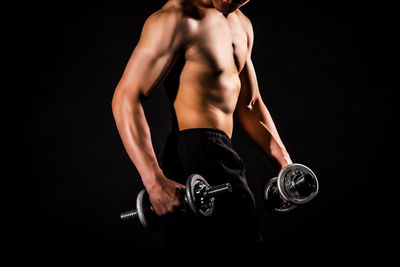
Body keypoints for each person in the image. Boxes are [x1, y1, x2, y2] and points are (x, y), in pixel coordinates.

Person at [112, 0, 292, 258]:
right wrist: (153, 180)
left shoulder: (242, 25)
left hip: (223, 153)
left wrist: (285, 164)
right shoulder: (176, 18)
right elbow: (126, 97)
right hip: (193, 152)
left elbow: (250, 105)